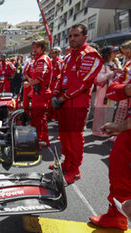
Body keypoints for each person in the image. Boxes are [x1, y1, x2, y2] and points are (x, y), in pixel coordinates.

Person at [51, 23, 102, 184]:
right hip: (64, 103)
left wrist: (62, 97)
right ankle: (67, 162)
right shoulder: (70, 55)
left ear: (85, 37)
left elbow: (83, 83)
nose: (72, 38)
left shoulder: (90, 55)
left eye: (76, 35)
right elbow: (61, 76)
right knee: (65, 136)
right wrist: (56, 93)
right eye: (70, 36)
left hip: (77, 104)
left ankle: (75, 170)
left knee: (74, 138)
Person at [89, 40, 131, 230]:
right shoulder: (128, 66)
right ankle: (116, 215)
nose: (121, 55)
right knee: (118, 171)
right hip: (126, 125)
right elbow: (114, 90)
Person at [23, 39, 52, 146]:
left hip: (41, 93)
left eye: (36, 47)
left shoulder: (42, 60)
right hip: (38, 92)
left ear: (43, 48)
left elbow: (41, 77)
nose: (34, 50)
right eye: (33, 47)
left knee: (37, 118)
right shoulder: (38, 59)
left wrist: (28, 84)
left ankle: (38, 141)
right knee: (41, 118)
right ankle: (44, 140)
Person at [92, 45, 121, 137]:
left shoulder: (115, 63)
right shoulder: (101, 65)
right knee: (101, 110)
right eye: (114, 52)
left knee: (109, 110)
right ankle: (98, 131)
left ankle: (106, 130)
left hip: (111, 91)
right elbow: (99, 78)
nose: (116, 54)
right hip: (103, 91)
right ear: (108, 54)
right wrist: (112, 73)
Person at [48, 47, 63, 121]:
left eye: (53, 53)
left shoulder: (60, 62)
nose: (51, 54)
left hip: (56, 83)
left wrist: (58, 80)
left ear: (57, 53)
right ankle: (50, 115)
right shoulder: (50, 62)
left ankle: (54, 116)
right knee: (49, 99)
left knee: (55, 99)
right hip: (50, 82)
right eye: (51, 53)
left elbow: (62, 73)